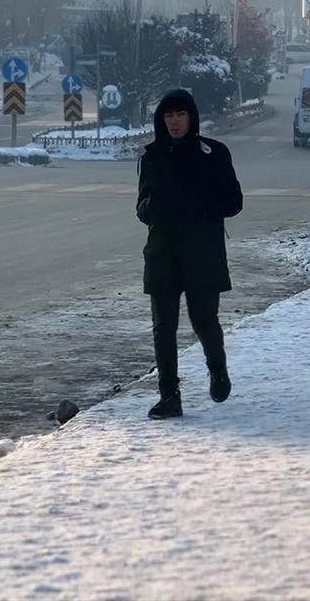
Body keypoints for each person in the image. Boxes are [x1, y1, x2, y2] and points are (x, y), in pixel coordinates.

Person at [136, 89, 244, 420]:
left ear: (191, 117)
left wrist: (206, 206)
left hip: (202, 253)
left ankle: (218, 369)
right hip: (163, 254)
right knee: (163, 328)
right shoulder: (152, 156)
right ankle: (169, 396)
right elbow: (141, 207)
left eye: (180, 114)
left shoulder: (213, 153)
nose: (174, 121)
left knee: (204, 321)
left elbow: (234, 202)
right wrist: (154, 207)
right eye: (168, 115)